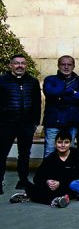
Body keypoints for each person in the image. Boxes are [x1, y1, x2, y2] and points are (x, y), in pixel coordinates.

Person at [0, 54, 42, 193]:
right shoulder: (2, 81)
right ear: (10, 65)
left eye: (22, 63)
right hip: (6, 124)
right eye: (17, 63)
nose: (20, 66)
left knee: (24, 154)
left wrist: (35, 122)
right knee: (2, 153)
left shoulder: (32, 82)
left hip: (26, 124)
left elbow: (37, 103)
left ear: (26, 65)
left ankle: (23, 180)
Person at [10, 130, 79, 207]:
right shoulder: (50, 159)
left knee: (74, 186)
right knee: (31, 185)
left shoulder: (76, 156)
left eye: (66, 142)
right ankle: (56, 200)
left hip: (70, 186)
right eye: (59, 142)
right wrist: (48, 181)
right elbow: (37, 178)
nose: (63, 145)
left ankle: (33, 196)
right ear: (55, 144)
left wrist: (60, 183)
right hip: (53, 188)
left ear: (70, 144)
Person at [42, 55, 79, 157]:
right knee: (49, 152)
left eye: (69, 64)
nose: (66, 67)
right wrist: (72, 91)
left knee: (68, 153)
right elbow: (50, 93)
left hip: (71, 122)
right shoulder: (50, 79)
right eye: (63, 64)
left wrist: (61, 94)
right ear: (58, 66)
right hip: (53, 122)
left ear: (73, 66)